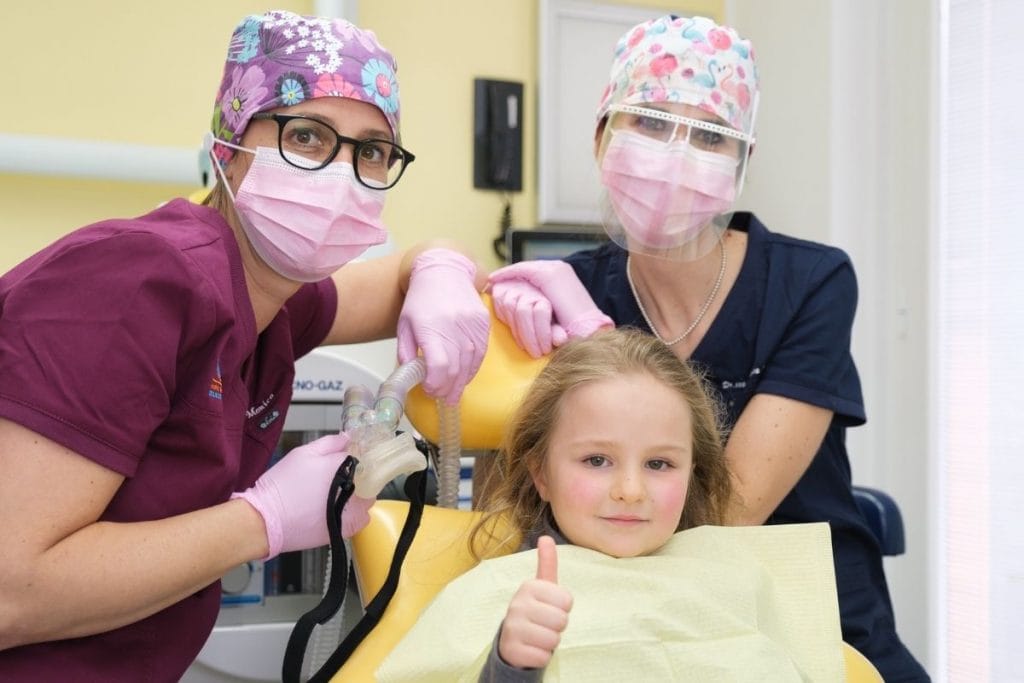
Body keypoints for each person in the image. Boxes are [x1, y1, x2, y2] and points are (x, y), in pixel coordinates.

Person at [0, 10, 489, 680]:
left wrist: (447, 270)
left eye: (372, 151)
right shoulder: (139, 279)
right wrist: (266, 521)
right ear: (229, 145)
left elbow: (406, 272)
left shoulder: (273, 295)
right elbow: (11, 590)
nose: (344, 175)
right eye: (308, 136)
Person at [486, 14, 929, 682]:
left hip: (816, 618)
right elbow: (526, 483)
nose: (676, 153)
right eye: (652, 122)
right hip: (630, 618)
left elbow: (725, 508)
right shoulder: (569, 288)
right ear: (602, 137)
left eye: (710, 135)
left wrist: (594, 341)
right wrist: (461, 285)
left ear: (742, 163)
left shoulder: (810, 283)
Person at [377, 329, 847, 682]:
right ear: (541, 473)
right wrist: (511, 664)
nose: (630, 489)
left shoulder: (739, 580)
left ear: (693, 473)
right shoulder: (503, 595)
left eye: (660, 464)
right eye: (597, 460)